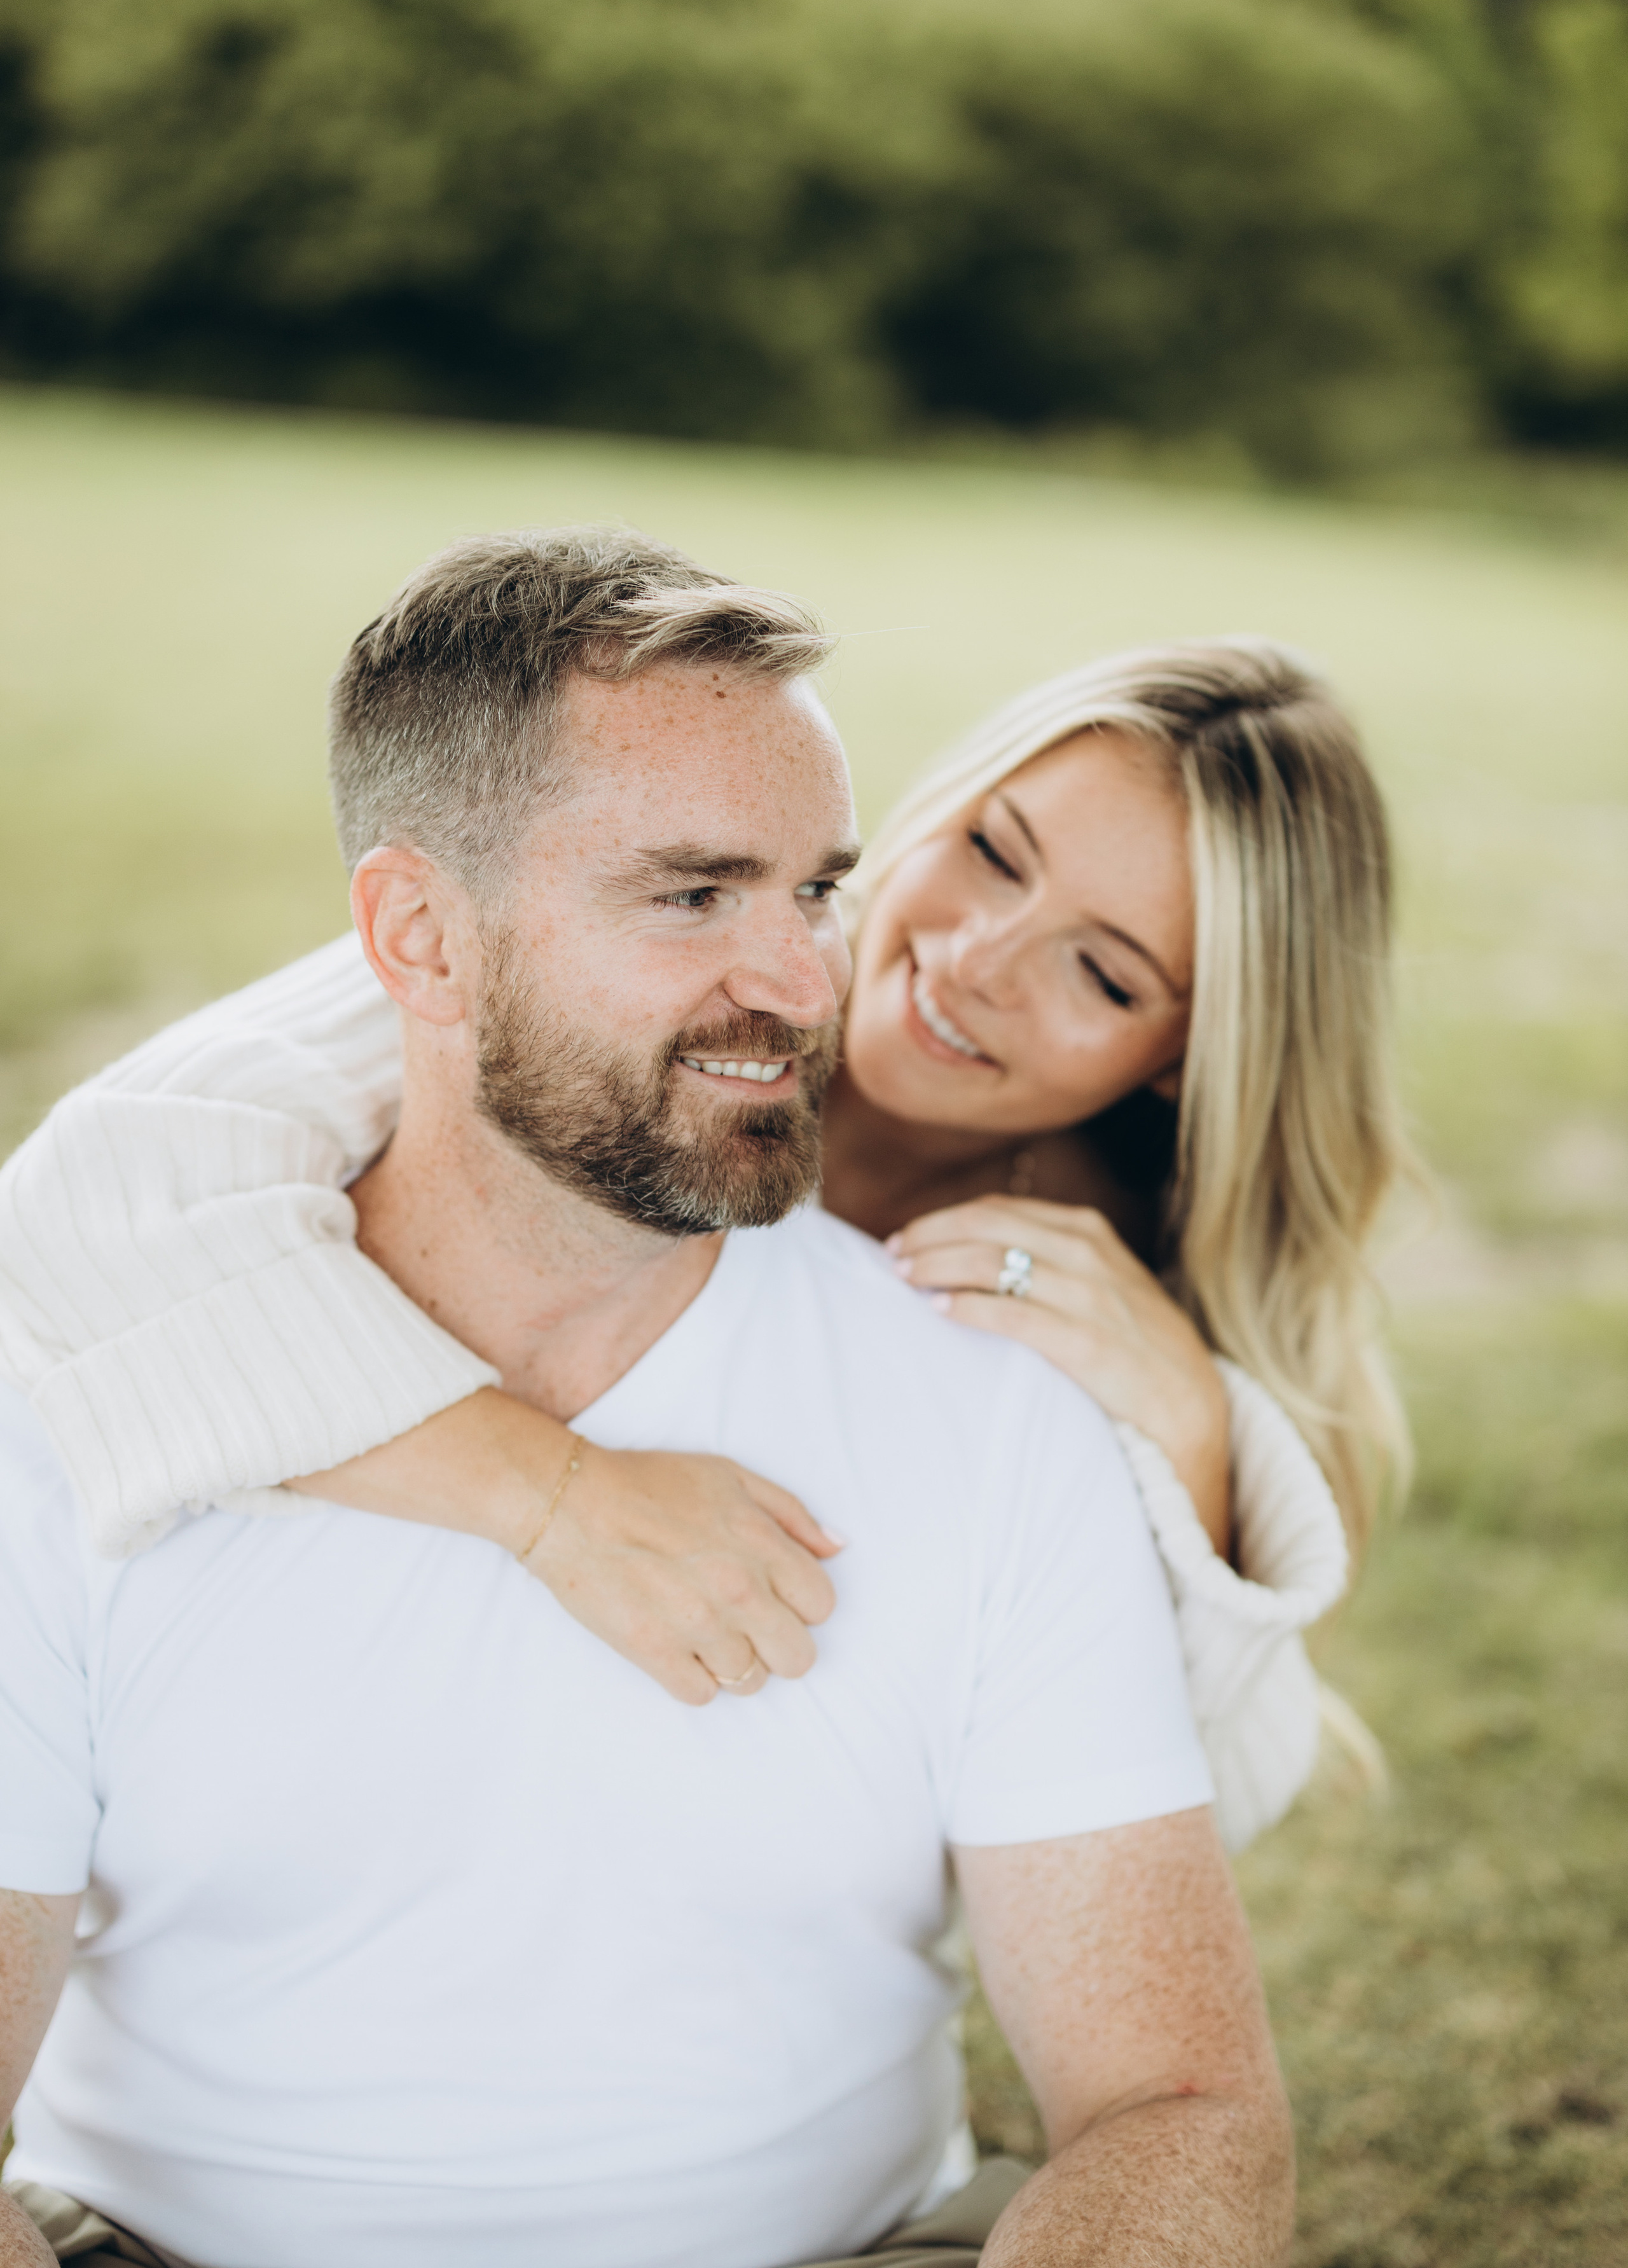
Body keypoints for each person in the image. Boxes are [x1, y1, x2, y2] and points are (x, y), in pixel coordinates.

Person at [0, 527, 1309, 2268]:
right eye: (693, 893)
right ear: (418, 938)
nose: (807, 975)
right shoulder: (95, 1346)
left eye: (812, 886)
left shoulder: (1015, 1402)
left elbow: (1184, 2107)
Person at [0, 602, 1407, 1853]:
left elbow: (1221, 1791)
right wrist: (546, 1495)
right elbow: (92, 1202)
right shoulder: (605, 974)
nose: (971, 960)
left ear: (1186, 1049)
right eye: (990, 852)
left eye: (1099, 972)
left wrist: (1197, 1454)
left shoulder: (1117, 1293)